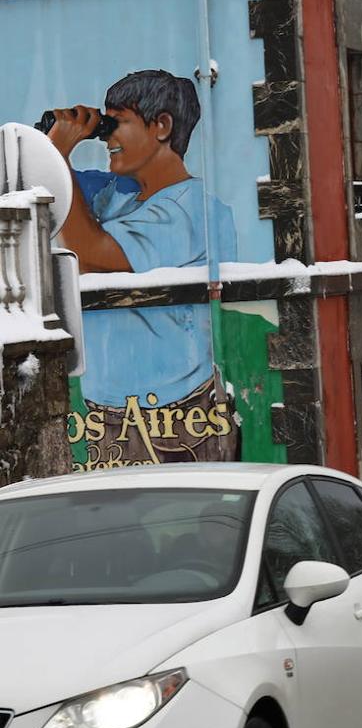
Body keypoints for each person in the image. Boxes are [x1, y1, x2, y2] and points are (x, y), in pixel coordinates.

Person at [45, 70, 238, 465]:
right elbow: (52, 198)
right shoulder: (121, 199)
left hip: (171, 420)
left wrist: (58, 155)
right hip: (108, 416)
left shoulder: (191, 210)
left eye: (119, 124)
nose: (109, 138)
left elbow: (92, 253)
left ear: (162, 126)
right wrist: (50, 147)